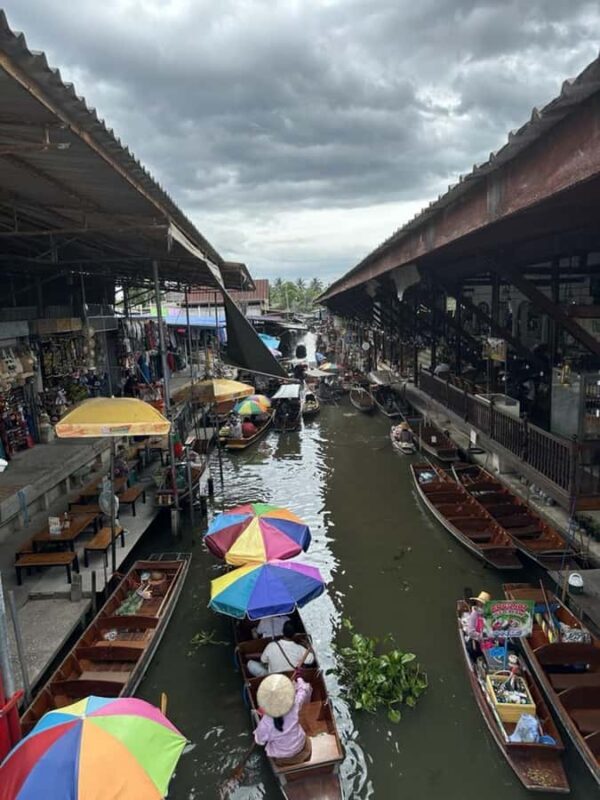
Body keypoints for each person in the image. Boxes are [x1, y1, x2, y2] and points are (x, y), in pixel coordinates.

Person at [254, 674, 313, 767]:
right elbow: (304, 689)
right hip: (301, 746)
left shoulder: (265, 723)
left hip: (284, 757)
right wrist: (299, 678)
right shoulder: (293, 705)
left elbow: (259, 741)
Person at [247, 620, 315, 677]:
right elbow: (311, 660)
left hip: (273, 678)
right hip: (291, 678)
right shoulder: (300, 649)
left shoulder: (271, 646)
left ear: (282, 631)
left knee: (250, 664)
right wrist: (308, 646)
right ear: (295, 634)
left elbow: (263, 661)